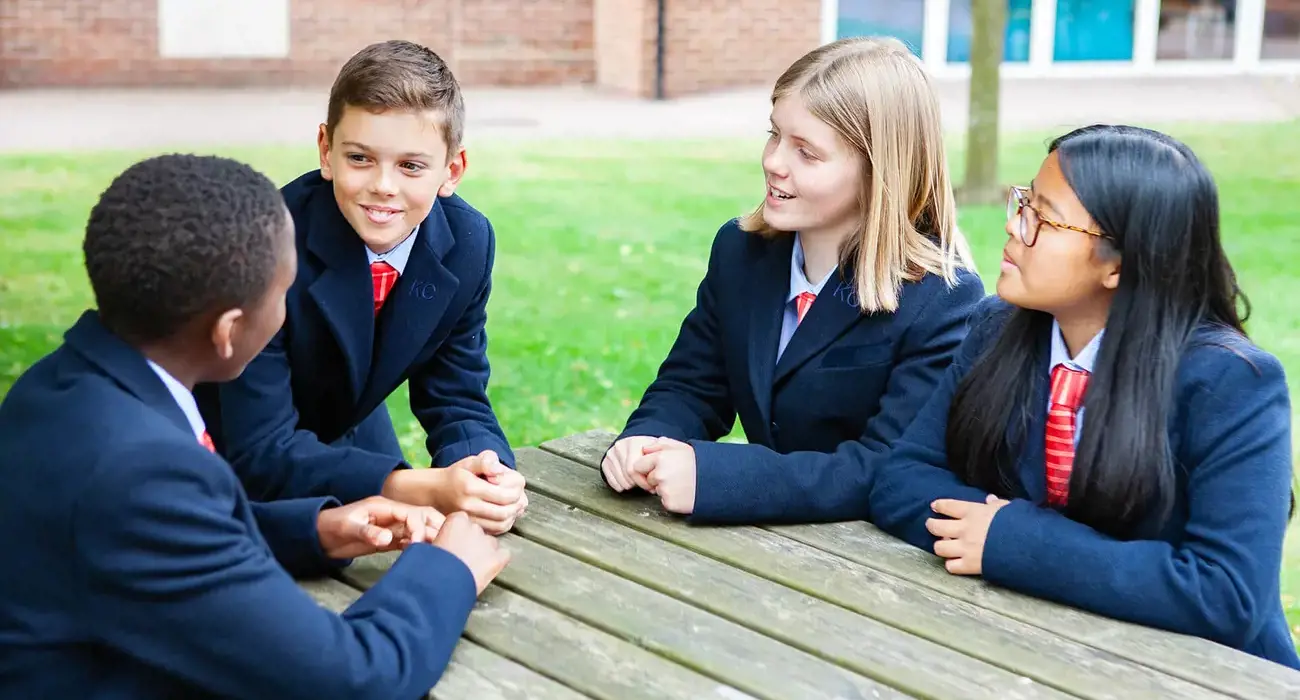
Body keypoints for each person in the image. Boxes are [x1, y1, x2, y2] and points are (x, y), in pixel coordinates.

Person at [0, 153, 512, 698]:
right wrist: (446, 570)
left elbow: (151, 543)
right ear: (229, 331)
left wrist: (318, 530)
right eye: (282, 293)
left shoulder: (56, 386)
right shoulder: (142, 471)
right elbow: (352, 679)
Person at [866, 124, 1299, 669]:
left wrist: (1016, 542)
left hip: (1208, 675)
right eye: (1021, 202)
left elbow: (1226, 593)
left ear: (1119, 263)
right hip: (1029, 650)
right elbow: (901, 479)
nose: (1012, 227)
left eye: (1041, 218)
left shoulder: (1233, 382)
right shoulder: (998, 328)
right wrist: (1004, 539)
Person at [600, 36, 984, 524]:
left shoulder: (941, 298)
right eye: (774, 134)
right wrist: (649, 436)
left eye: (807, 152)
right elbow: (693, 384)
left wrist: (720, 479)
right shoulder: (743, 253)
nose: (773, 161)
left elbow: (887, 465)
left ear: (878, 173)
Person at [195, 39, 527, 535]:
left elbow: (455, 392)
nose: (384, 186)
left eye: (411, 165)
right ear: (326, 151)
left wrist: (485, 471)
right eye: (360, 158)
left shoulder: (467, 242)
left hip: (347, 422)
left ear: (451, 170)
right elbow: (261, 453)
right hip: (227, 451)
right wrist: (421, 486)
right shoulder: (263, 247)